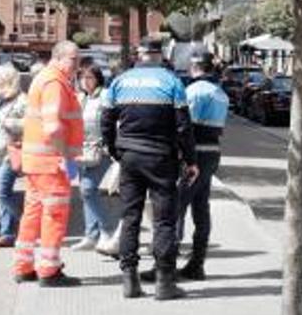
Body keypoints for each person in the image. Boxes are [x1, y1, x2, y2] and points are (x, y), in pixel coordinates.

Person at [101, 37, 198, 301]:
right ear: (159, 56)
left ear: (139, 55)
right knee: (164, 220)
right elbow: (183, 127)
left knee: (130, 217)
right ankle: (164, 283)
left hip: (129, 156)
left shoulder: (120, 81)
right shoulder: (172, 82)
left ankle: (129, 281)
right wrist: (191, 160)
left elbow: (106, 121)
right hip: (161, 158)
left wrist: (115, 151)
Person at [13, 41, 84, 287]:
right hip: (51, 163)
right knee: (54, 214)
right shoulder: (55, 83)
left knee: (32, 212)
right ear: (59, 57)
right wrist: (66, 157)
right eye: (74, 59)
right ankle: (49, 270)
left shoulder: (44, 78)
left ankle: (23, 266)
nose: (78, 65)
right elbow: (53, 127)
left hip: (35, 162)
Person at [170, 53, 228, 281]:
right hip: (213, 152)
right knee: (201, 207)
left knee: (177, 207)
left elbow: (185, 127)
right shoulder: (220, 93)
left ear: (194, 67)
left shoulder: (195, 91)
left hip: (195, 154)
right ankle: (197, 263)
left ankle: (167, 264)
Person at [73, 65, 114, 251]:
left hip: (100, 150)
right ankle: (91, 235)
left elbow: (113, 120)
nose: (85, 81)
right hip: (82, 152)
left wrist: (109, 144)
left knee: (88, 189)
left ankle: (107, 230)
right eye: (82, 77)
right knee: (85, 193)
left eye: (89, 77)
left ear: (97, 78)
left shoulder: (105, 95)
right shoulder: (81, 98)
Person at [0, 63, 27, 248]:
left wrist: (12, 123)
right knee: (1, 195)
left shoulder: (22, 101)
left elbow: (31, 122)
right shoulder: (1, 100)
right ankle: (7, 233)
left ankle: (27, 222)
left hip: (11, 153)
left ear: (7, 82)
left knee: (1, 193)